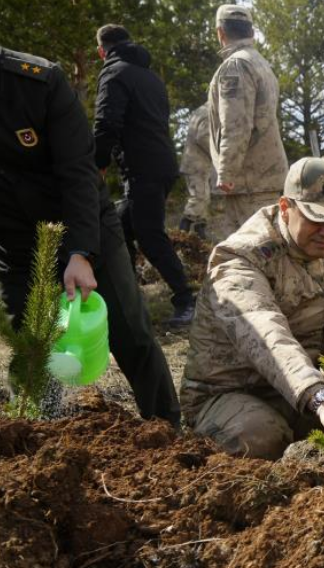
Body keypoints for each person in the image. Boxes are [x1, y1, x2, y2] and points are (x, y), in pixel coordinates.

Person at [180, 157, 324, 460]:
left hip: (308, 389)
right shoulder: (241, 260)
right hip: (237, 394)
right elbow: (268, 338)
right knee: (259, 436)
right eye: (317, 219)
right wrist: (323, 401)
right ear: (286, 208)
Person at [0, 45, 181, 426]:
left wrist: (80, 252)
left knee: (132, 335)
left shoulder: (39, 82)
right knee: (31, 350)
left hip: (84, 225)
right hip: (14, 246)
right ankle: (35, 438)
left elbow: (79, 171)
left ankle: (169, 429)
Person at [93, 24, 195, 326]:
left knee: (149, 234)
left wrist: (96, 164)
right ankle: (129, 297)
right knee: (119, 229)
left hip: (143, 169)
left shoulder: (113, 73)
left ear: (102, 50)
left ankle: (187, 300)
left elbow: (106, 123)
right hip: (161, 165)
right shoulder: (151, 77)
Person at [207, 4, 289, 240]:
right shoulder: (260, 62)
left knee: (252, 252)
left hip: (249, 180)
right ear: (251, 32)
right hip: (264, 176)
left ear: (220, 32)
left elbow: (236, 124)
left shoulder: (236, 66)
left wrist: (226, 171)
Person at [179, 104, 214, 240]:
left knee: (203, 198)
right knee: (199, 198)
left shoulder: (201, 110)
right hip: (197, 164)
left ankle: (200, 236)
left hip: (196, 163)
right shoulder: (208, 112)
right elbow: (203, 136)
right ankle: (181, 234)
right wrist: (219, 155)